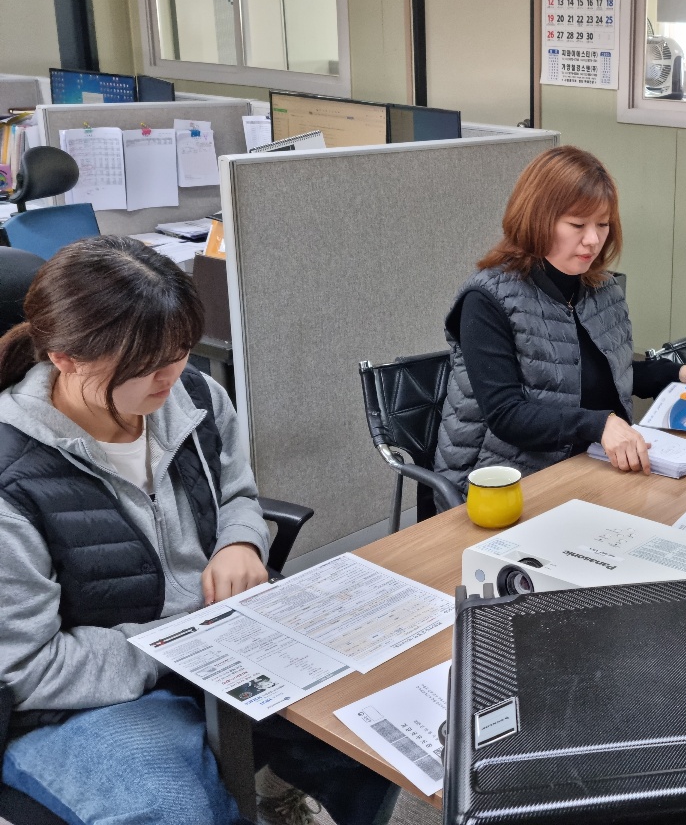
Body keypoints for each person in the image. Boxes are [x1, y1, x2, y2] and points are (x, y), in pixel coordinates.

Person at [0, 236, 396, 825]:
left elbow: (238, 494)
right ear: (66, 359)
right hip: (84, 695)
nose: (172, 376)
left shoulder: (195, 398)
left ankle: (276, 787)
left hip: (220, 636)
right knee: (179, 809)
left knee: (374, 715)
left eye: (181, 351)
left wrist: (240, 541)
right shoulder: (13, 480)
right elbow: (29, 669)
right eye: (146, 364)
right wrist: (180, 643)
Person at [436, 146, 686, 488]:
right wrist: (598, 425)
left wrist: (676, 373)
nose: (593, 240)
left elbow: (605, 373)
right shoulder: (487, 300)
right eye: (577, 224)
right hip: (502, 480)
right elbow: (506, 415)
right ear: (537, 218)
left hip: (591, 465)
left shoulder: (602, 288)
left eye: (603, 224)